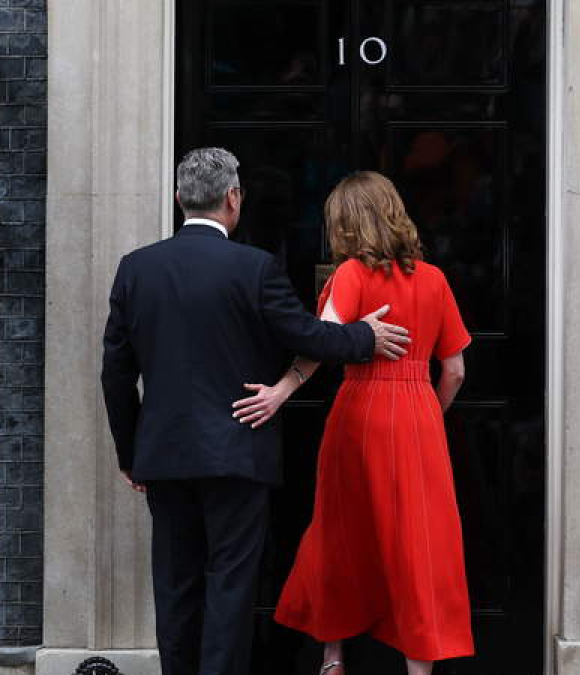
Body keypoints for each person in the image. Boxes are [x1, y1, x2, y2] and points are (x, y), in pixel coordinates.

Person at [100, 148, 412, 675]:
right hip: (238, 449)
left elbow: (115, 373)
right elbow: (305, 334)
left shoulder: (137, 269)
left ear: (180, 198)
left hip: (165, 457)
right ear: (233, 198)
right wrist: (364, 335)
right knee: (230, 585)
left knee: (176, 587)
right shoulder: (254, 267)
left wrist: (131, 453)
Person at [231, 171, 474, 675]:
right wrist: (429, 413)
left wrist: (280, 390)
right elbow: (455, 370)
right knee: (419, 541)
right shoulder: (434, 279)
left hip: (360, 410)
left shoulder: (350, 275)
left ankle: (334, 656)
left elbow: (323, 344)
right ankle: (419, 668)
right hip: (418, 415)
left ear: (344, 225)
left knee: (340, 530)